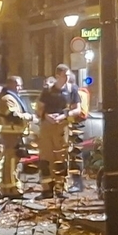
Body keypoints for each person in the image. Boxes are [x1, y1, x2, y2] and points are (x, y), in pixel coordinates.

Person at [36, 64, 81, 199]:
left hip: (62, 126)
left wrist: (64, 115)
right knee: (45, 158)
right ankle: (46, 189)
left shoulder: (72, 89)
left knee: (61, 158)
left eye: (68, 76)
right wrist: (45, 116)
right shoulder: (48, 91)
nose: (67, 79)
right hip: (47, 126)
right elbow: (39, 108)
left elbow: (77, 109)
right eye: (64, 76)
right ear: (57, 76)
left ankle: (60, 188)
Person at [0, 76, 32, 198]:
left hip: (15, 135)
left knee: (13, 162)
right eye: (18, 85)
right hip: (10, 135)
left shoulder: (13, 97)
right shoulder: (8, 99)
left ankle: (9, 187)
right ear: (10, 84)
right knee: (11, 162)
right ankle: (12, 189)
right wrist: (28, 117)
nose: (20, 87)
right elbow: (12, 115)